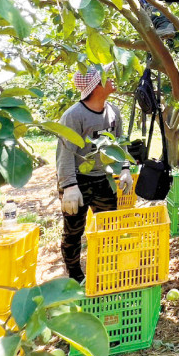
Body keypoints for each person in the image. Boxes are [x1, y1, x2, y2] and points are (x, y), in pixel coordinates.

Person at [55, 65, 133, 283]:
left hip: (102, 178)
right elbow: (65, 153)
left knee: (109, 228)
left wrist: (125, 168)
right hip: (77, 181)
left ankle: (107, 269)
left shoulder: (113, 111)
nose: (113, 79)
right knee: (73, 232)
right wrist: (69, 186)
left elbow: (120, 144)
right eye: (107, 77)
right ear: (95, 85)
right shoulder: (73, 116)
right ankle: (75, 276)